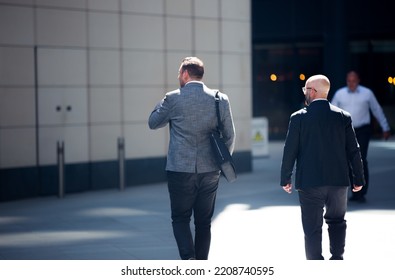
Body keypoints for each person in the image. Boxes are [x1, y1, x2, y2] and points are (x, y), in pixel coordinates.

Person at [148, 57, 235, 260]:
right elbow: (230, 135)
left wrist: (164, 100)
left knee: (180, 218)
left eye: (179, 73)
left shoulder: (173, 98)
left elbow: (153, 122)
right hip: (210, 171)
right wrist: (221, 162)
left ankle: (189, 260)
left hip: (180, 170)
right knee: (204, 222)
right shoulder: (219, 99)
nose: (178, 77)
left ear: (185, 74)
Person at [280, 74, 365, 260]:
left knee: (312, 228)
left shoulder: (298, 118)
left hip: (309, 182)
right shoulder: (343, 117)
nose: (304, 93)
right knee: (337, 222)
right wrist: (358, 178)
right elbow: (354, 151)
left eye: (306, 89)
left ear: (313, 91)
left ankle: (316, 267)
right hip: (338, 181)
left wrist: (285, 178)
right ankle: (337, 259)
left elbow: (290, 151)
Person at [331, 71, 391, 203]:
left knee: (361, 158)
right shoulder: (340, 94)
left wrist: (385, 127)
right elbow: (332, 112)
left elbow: (376, 109)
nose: (351, 83)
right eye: (349, 81)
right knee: (347, 160)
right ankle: (354, 190)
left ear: (358, 80)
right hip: (346, 130)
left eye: (353, 81)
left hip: (363, 130)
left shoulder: (367, 93)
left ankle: (361, 192)